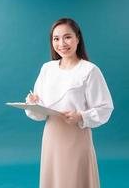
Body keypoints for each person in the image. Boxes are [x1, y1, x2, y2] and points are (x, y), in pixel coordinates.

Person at [25, 18, 114, 188]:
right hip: (52, 136)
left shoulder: (89, 70)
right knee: (54, 179)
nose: (61, 43)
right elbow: (40, 111)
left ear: (77, 38)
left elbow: (105, 107)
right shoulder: (47, 69)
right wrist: (33, 103)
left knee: (75, 180)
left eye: (67, 37)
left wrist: (81, 115)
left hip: (77, 137)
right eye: (56, 38)